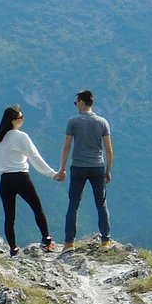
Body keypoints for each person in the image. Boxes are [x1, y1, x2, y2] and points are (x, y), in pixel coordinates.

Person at [0, 105, 58, 257]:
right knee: (36, 207)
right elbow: (35, 157)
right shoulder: (20, 136)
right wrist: (52, 174)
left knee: (9, 216)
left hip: (5, 180)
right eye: (21, 117)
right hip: (21, 177)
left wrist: (2, 176)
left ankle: (13, 249)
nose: (23, 120)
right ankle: (47, 240)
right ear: (13, 121)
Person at [56, 89, 114, 249]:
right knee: (101, 204)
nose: (76, 105)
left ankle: (69, 243)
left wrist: (62, 168)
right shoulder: (102, 122)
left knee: (73, 205)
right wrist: (108, 171)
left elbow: (66, 147)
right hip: (97, 167)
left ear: (81, 102)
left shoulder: (73, 122)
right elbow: (109, 150)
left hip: (78, 167)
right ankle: (106, 241)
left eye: (76, 103)